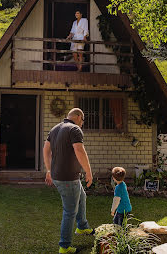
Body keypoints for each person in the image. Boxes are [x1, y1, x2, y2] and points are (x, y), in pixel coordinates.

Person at [44, 108, 94, 254]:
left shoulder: (55, 129)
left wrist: (48, 169)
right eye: (83, 121)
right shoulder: (75, 129)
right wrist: (89, 171)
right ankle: (64, 246)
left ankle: (82, 226)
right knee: (70, 211)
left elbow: (45, 150)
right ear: (78, 117)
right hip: (68, 178)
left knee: (82, 196)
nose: (82, 124)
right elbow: (79, 150)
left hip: (59, 176)